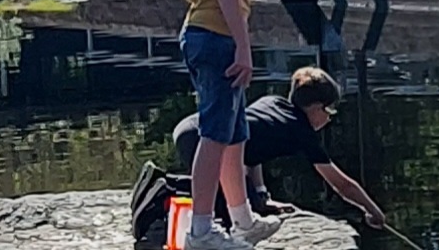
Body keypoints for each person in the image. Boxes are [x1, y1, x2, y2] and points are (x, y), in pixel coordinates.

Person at [166, 67, 389, 232]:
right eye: (329, 110)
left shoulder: (272, 102)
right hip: (203, 139)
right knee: (236, 219)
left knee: (253, 206)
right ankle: (169, 189)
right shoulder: (302, 132)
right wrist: (372, 210)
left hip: (190, 127)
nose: (329, 118)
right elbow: (342, 184)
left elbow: (250, 149)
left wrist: (262, 195)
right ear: (314, 108)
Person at [177, 0, 267, 250]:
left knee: (233, 133)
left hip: (198, 30)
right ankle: (200, 230)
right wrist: (244, 45)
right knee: (214, 134)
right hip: (217, 34)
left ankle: (242, 219)